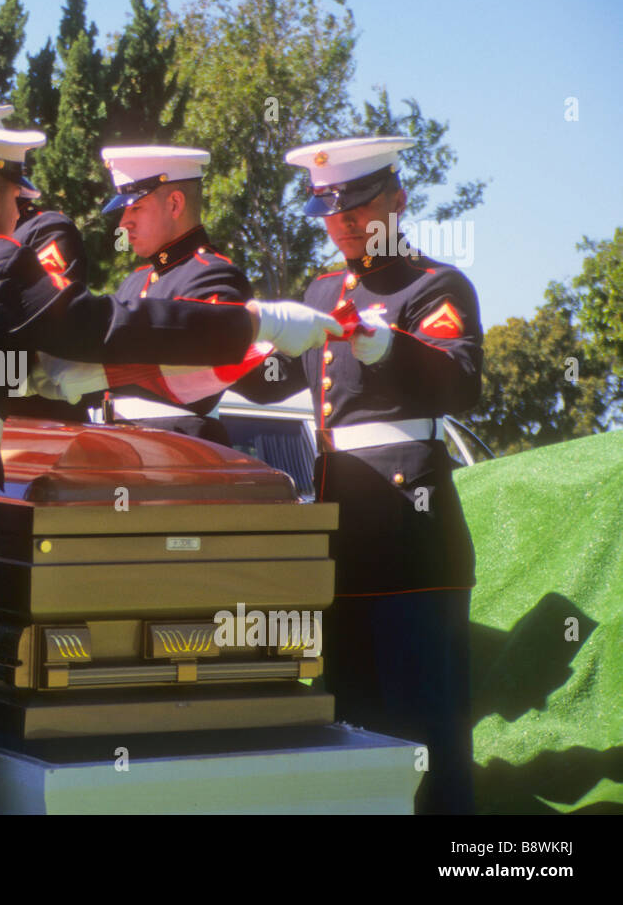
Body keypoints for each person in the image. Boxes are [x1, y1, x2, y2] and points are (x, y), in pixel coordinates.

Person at [0, 105, 343, 814]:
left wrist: (41, 374)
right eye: (16, 193)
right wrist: (254, 321)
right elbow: (101, 324)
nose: (22, 208)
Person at [233, 136, 482, 814]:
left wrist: (385, 345)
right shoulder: (321, 290)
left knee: (426, 739)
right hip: (342, 546)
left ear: (397, 203)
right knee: (354, 734)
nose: (340, 222)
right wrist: (226, 343)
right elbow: (266, 380)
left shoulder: (434, 285)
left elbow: (458, 381)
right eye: (328, 210)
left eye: (356, 207)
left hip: (411, 540)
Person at [98, 146, 254, 445]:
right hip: (123, 443)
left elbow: (194, 380)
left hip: (177, 446)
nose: (123, 223)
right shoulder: (134, 282)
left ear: (174, 204)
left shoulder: (214, 274)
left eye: (136, 208)